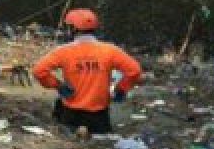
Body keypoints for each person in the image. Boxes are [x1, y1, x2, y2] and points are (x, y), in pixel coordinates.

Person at [32, 8, 143, 137]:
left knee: (66, 138)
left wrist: (58, 85)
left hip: (71, 112)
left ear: (73, 29)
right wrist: (121, 89)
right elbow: (134, 70)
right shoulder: (110, 50)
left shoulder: (63, 51)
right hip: (98, 114)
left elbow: (39, 71)